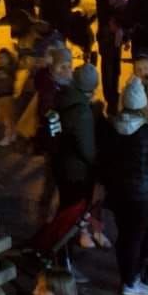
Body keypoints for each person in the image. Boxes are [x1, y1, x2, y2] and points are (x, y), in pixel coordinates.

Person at [109, 77, 148, 295]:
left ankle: (126, 275)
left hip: (119, 194)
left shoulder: (112, 128)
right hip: (144, 196)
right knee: (136, 238)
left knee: (123, 236)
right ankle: (131, 281)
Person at [52, 63, 98, 210]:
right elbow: (87, 150)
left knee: (65, 206)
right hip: (76, 172)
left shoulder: (63, 96)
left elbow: (54, 128)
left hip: (60, 162)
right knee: (74, 212)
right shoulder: (82, 112)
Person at [93, 0, 127, 113]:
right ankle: (110, 98)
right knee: (108, 67)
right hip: (107, 36)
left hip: (116, 36)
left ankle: (114, 93)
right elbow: (105, 15)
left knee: (115, 67)